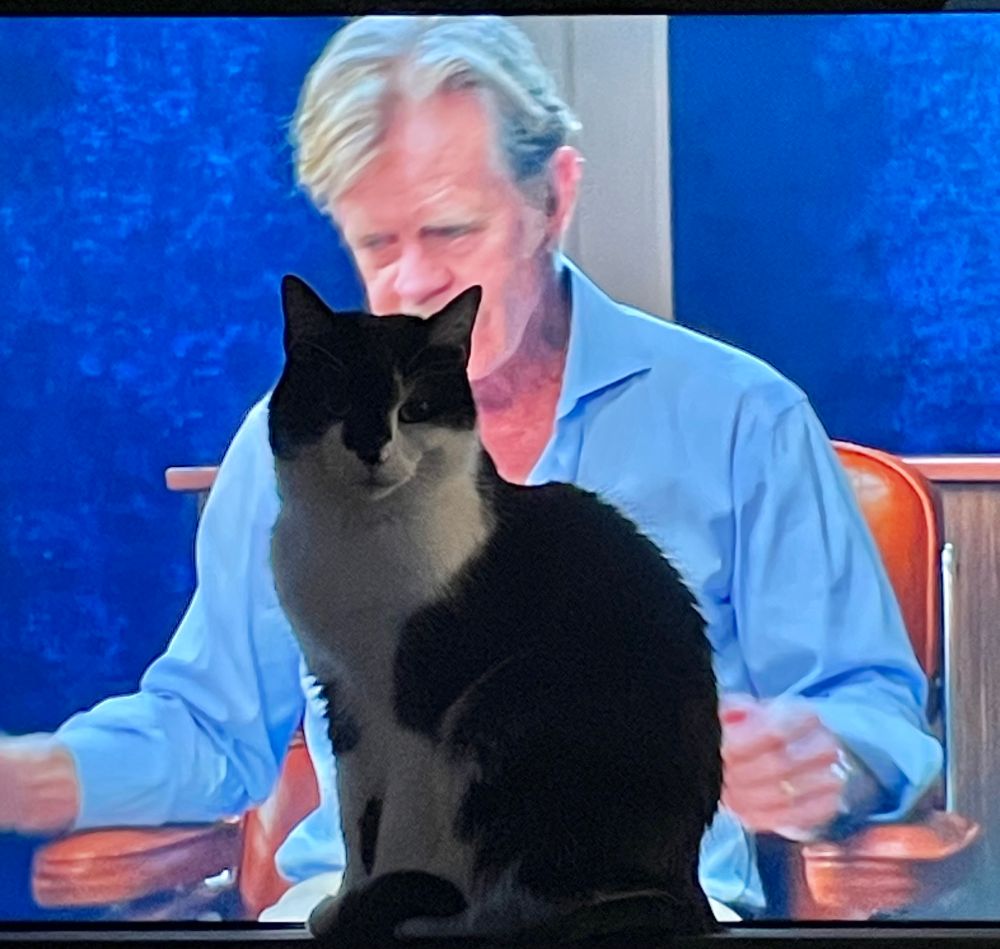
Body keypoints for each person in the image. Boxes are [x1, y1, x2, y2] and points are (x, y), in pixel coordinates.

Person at [0, 15, 942, 923]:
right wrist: (44, 775)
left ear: (554, 199)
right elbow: (207, 723)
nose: (411, 282)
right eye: (376, 243)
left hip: (618, 907)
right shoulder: (286, 449)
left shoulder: (743, 417)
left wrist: (833, 758)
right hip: (361, 908)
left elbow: (872, 705)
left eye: (451, 233)